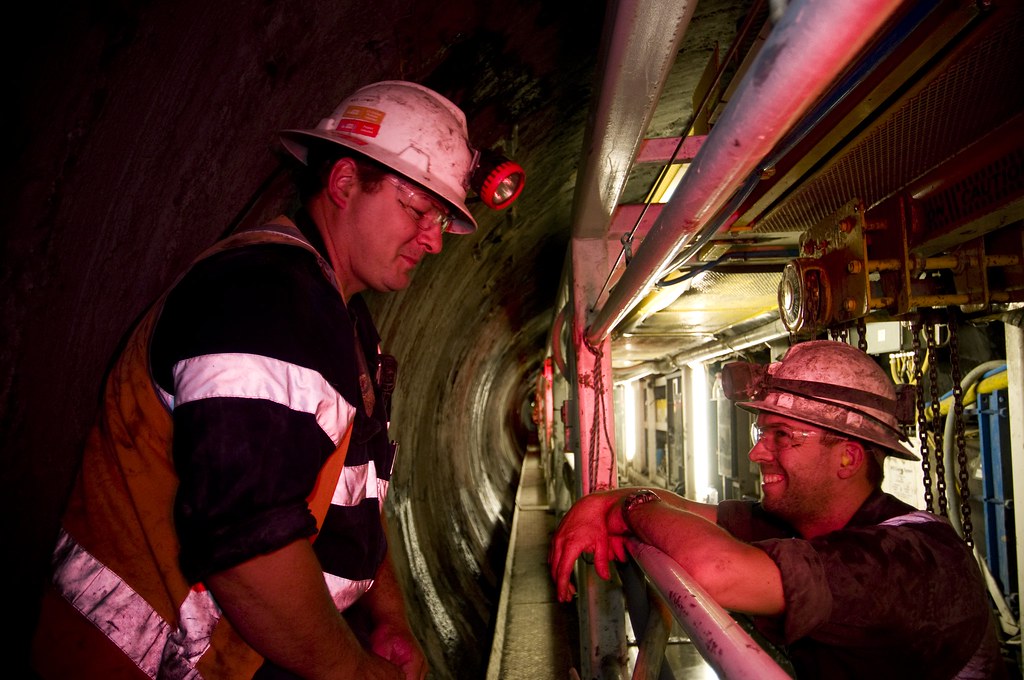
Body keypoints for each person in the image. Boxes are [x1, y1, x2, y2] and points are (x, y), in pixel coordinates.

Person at [32, 80, 490, 679]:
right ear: (345, 181)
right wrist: (351, 673)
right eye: (418, 209)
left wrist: (390, 616)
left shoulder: (341, 322)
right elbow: (248, 547)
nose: (433, 240)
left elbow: (357, 496)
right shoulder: (264, 300)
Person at [549, 340, 1007, 679]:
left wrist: (630, 506)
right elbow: (686, 512)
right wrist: (599, 504)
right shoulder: (803, 521)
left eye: (782, 436)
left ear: (848, 457)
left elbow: (714, 569)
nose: (758, 454)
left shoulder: (905, 562)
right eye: (760, 433)